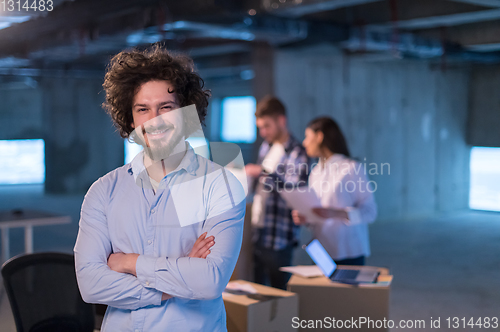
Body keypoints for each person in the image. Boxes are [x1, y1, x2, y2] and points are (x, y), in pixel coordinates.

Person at [73, 45, 246, 332]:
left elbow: (210, 280)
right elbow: (91, 285)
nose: (155, 120)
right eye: (143, 109)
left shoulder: (221, 185)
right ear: (130, 120)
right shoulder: (103, 191)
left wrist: (129, 262)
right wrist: (177, 276)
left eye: (166, 107)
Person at [292, 117, 377, 266]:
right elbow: (318, 214)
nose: (304, 143)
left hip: (349, 252)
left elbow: (370, 212)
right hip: (321, 253)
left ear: (319, 137)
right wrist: (306, 218)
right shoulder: (316, 171)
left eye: (307, 136)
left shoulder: (351, 168)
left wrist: (336, 213)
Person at [245, 96, 309, 289]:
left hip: (280, 237)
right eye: (260, 128)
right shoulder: (267, 147)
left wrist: (262, 172)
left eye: (267, 126)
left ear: (281, 121)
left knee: (279, 294)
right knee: (257, 292)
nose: (263, 132)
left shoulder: (297, 152)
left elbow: (295, 190)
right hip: (259, 232)